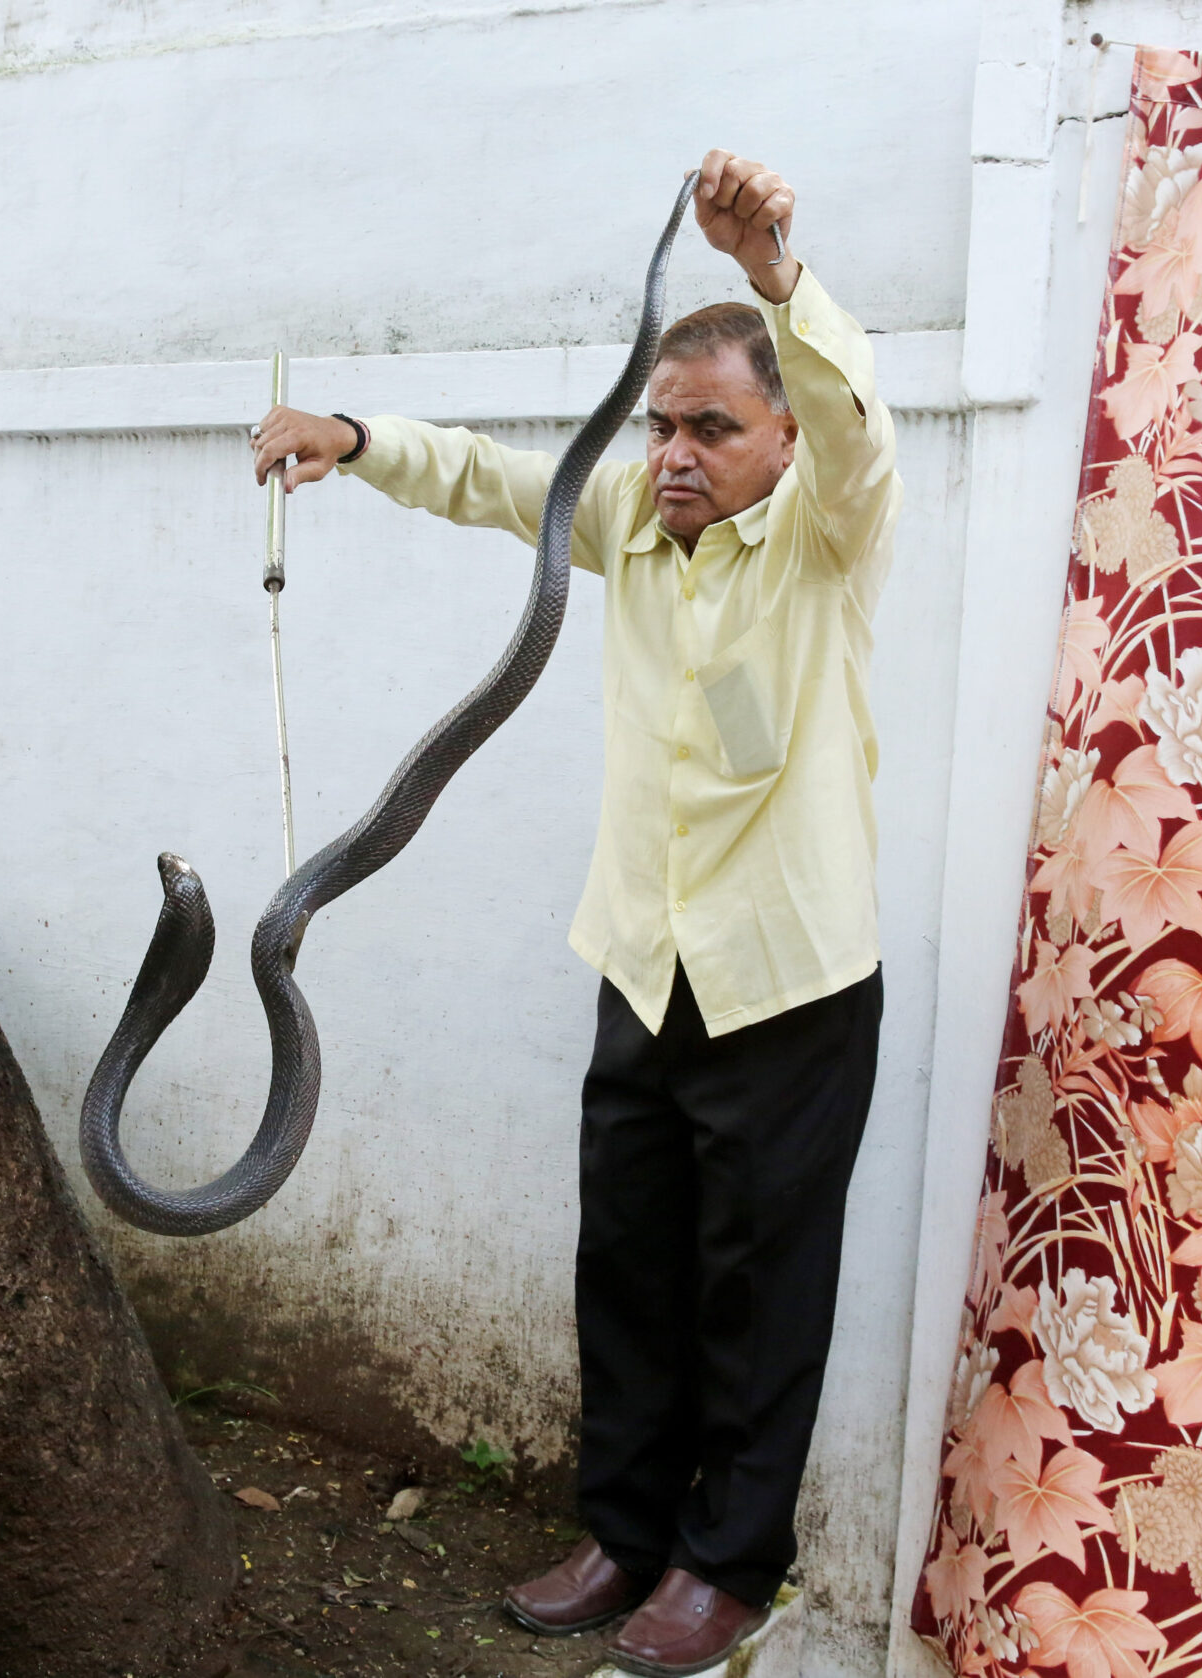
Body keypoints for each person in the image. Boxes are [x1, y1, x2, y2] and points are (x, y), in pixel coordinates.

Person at [250, 150, 898, 1678]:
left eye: (712, 427)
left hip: (789, 986)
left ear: (780, 438)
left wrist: (779, 280)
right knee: (631, 1261)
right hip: (646, 961)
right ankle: (622, 1528)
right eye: (662, 424)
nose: (675, 452)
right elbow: (496, 479)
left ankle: (725, 1569)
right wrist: (356, 435)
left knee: (759, 1290)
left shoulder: (828, 530)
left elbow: (860, 425)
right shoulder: (632, 520)